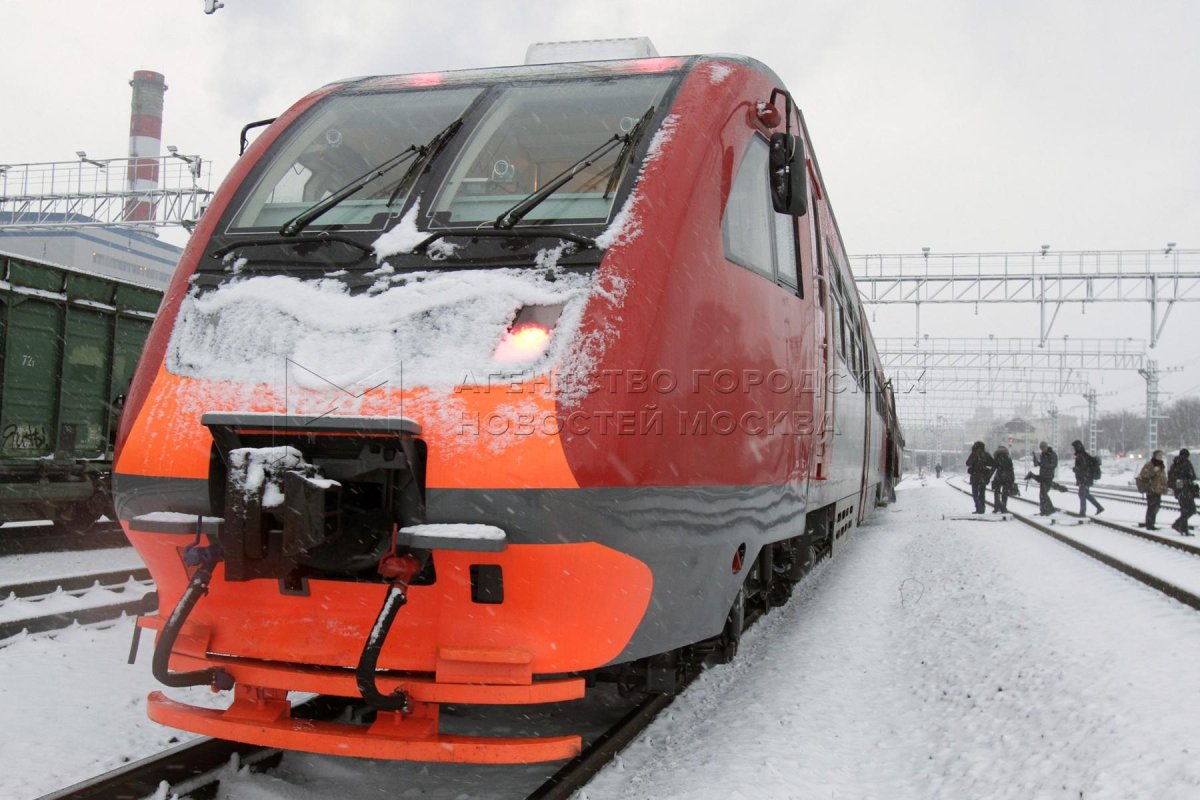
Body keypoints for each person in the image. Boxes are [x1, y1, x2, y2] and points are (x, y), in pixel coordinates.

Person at [1070, 440, 1105, 517]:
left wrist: (1075, 469)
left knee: (1082, 495)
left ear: (1077, 447)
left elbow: (1083, 468)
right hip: (1086, 478)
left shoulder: (1081, 455)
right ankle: (1099, 507)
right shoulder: (1083, 454)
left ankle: (1082, 513)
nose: (1074, 449)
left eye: (1074, 447)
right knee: (1085, 494)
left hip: (1084, 479)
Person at [1136, 450, 1168, 530]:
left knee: (1156, 506)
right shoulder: (1150, 464)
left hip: (1158, 490)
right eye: (1159, 455)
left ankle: (1151, 523)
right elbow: (1144, 475)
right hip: (1151, 489)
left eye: (1161, 455)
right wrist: (1153, 471)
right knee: (1152, 507)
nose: (1160, 457)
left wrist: (1164, 487)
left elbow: (1162, 478)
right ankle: (1149, 524)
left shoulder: (1161, 466)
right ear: (1155, 456)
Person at [1168, 449, 1197, 535]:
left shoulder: (1174, 464)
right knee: (1192, 510)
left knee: (1184, 510)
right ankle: (1178, 524)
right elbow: (1192, 476)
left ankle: (1183, 528)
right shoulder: (1186, 463)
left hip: (1179, 490)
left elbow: (1172, 477)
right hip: (1186, 490)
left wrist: (1178, 489)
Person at [965, 441, 995, 514]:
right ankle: (982, 507)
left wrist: (974, 464)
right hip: (983, 477)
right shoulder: (986, 454)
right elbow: (992, 463)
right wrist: (986, 468)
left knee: (975, 493)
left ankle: (979, 507)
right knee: (982, 493)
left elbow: (967, 463)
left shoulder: (973, 454)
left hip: (975, 476)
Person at [1033, 441, 1058, 515]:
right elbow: (1042, 465)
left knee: (1043, 493)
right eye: (1041, 449)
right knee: (1042, 494)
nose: (1042, 450)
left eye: (1043, 448)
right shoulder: (1042, 455)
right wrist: (1037, 462)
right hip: (1043, 476)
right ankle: (1044, 510)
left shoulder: (1052, 454)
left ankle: (1050, 509)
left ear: (1046, 447)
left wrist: (1044, 465)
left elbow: (1053, 465)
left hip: (1048, 477)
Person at [991, 445, 1016, 513]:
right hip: (1007, 478)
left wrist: (988, 477)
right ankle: (1003, 507)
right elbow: (1011, 469)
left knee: (997, 492)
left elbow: (993, 469)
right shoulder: (1008, 458)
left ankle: (996, 507)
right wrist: (1012, 479)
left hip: (998, 478)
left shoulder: (997, 458)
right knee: (1005, 493)